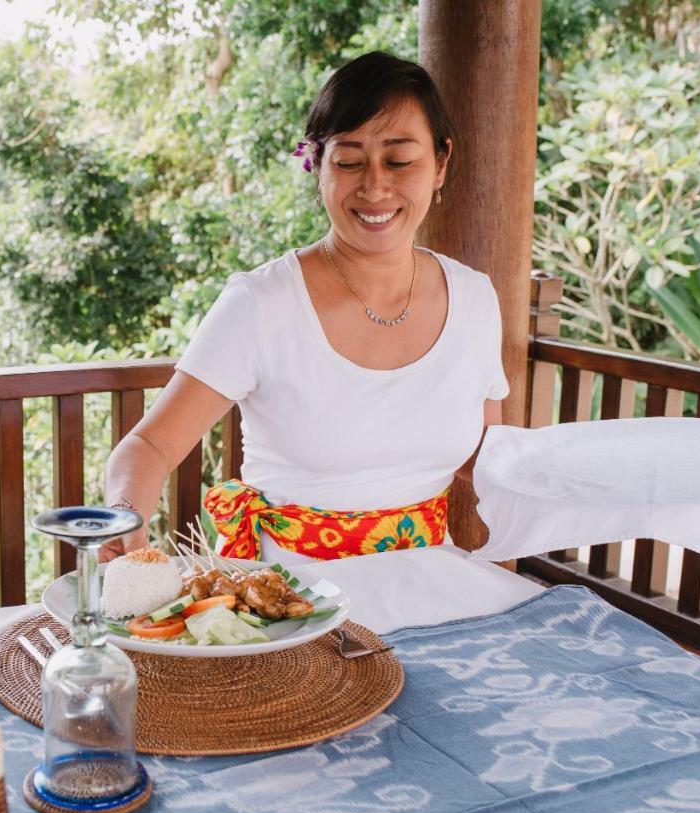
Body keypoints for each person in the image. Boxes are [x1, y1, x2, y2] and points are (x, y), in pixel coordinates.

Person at [100, 51, 508, 565]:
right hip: (287, 599)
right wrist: (122, 513)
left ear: (441, 163)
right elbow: (150, 446)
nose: (376, 186)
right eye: (350, 161)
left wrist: (602, 470)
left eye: (400, 160)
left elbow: (488, 459)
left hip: (432, 582)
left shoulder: (475, 298)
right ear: (317, 165)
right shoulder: (261, 303)